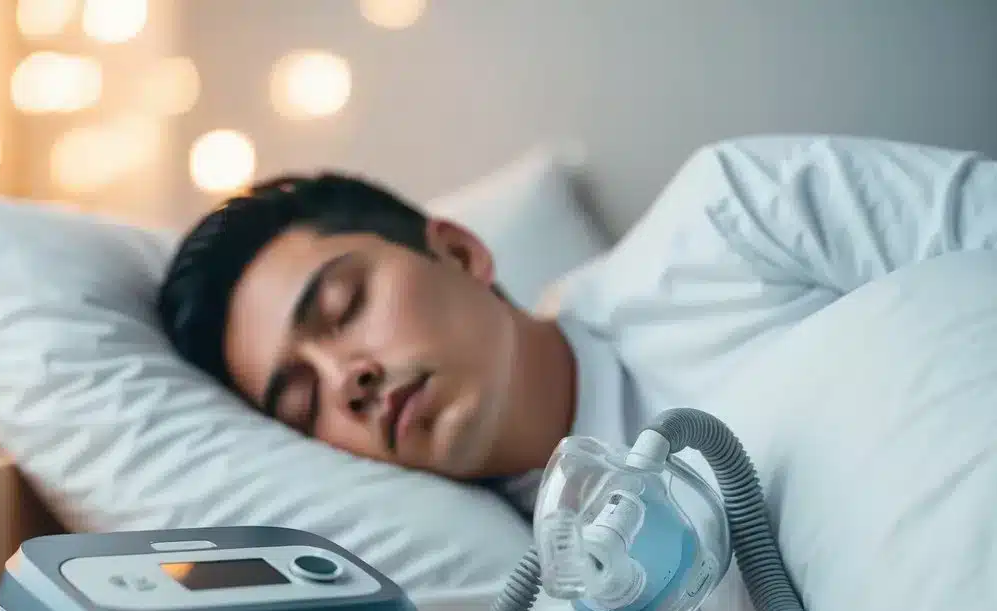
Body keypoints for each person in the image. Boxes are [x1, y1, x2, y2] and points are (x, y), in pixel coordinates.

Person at [157, 136, 997, 514]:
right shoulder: (523, 598)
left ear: (459, 251)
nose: (347, 380)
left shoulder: (735, 219)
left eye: (344, 308)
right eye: (302, 402)